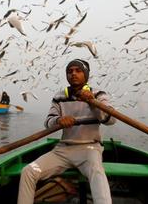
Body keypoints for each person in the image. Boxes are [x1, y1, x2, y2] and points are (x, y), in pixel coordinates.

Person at [18, 59, 115, 204]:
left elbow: (111, 120)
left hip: (89, 148)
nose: (73, 74)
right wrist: (58, 121)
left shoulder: (98, 94)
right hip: (63, 150)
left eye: (78, 71)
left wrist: (93, 103)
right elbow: (48, 121)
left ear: (86, 74)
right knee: (28, 171)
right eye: (70, 72)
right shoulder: (59, 97)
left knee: (97, 173)